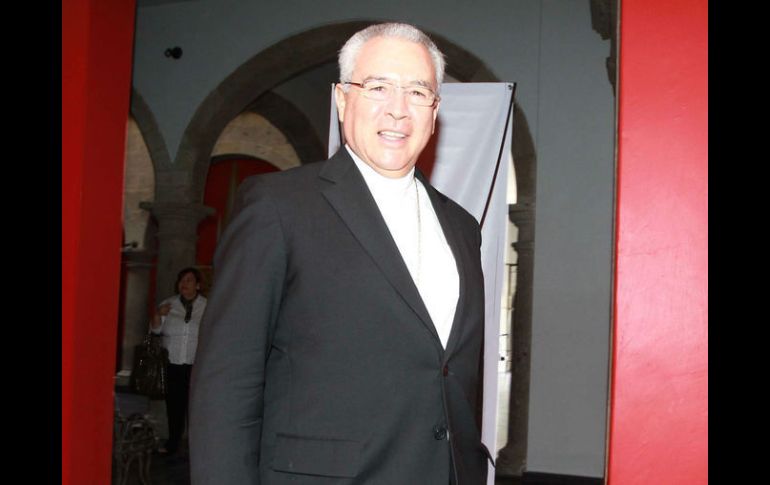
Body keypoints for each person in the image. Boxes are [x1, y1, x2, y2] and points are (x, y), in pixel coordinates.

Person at [189, 22, 492, 484]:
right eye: (378, 87)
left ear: (435, 111)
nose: (398, 110)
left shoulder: (462, 226)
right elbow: (227, 382)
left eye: (417, 92)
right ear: (342, 98)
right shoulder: (278, 206)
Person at [151, 266, 207, 456]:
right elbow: (156, 331)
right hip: (172, 363)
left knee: (196, 407)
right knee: (174, 406)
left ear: (198, 285)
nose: (184, 284)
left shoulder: (207, 306)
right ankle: (172, 442)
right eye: (182, 280)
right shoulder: (169, 303)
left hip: (196, 365)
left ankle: (198, 445)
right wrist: (158, 314)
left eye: (189, 280)